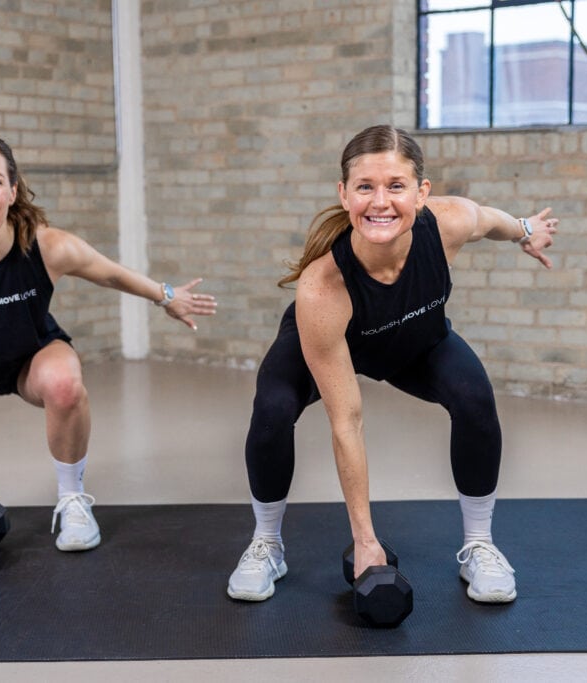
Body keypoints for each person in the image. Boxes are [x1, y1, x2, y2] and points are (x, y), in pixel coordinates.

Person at [226, 124, 558, 604]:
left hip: (414, 341)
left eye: (395, 186)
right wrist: (365, 540)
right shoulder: (322, 288)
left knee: (475, 398)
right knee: (272, 410)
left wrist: (525, 230)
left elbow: (491, 220)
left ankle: (480, 544)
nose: (380, 202)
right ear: (344, 194)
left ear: (421, 193)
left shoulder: (449, 221)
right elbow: (348, 421)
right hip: (330, 339)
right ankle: (267, 544)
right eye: (365, 187)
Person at [0, 131, 217, 556]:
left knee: (64, 381)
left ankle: (72, 498)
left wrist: (166, 296)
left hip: (28, 358)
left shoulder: (45, 246)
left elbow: (108, 272)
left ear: (13, 190)